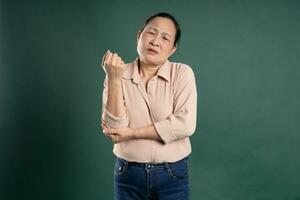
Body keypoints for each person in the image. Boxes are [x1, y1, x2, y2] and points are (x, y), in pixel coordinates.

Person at [101, 12, 197, 200]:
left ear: (172, 49)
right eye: (151, 33)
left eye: (165, 37)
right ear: (139, 36)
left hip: (172, 174)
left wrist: (132, 134)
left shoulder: (182, 73)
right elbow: (114, 130)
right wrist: (113, 78)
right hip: (128, 173)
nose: (155, 41)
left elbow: (185, 125)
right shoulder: (117, 72)